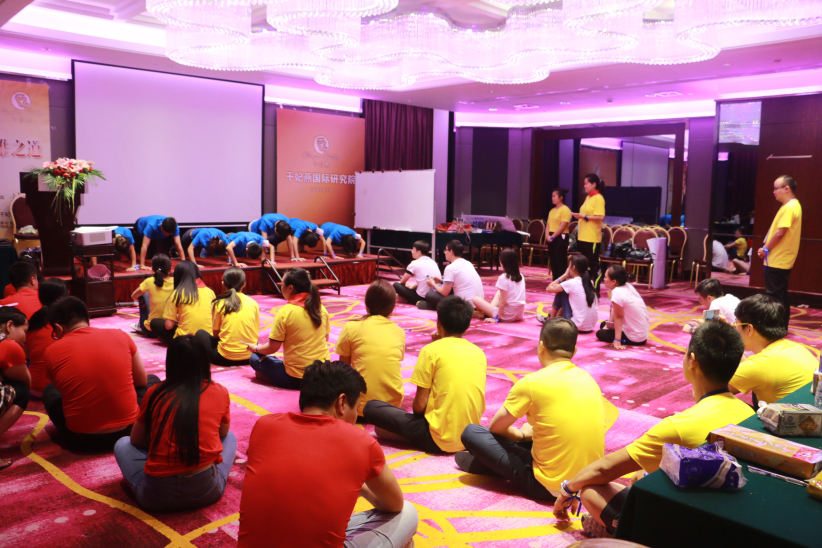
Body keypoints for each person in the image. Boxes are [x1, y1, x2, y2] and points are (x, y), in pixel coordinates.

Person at [553, 321, 754, 538]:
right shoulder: (748, 412)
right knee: (643, 477)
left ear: (693, 361)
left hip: (691, 527)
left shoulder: (678, 427)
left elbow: (604, 469)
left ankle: (627, 535)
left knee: (591, 491)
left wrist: (567, 489)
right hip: (731, 519)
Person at [238, 360, 418, 548]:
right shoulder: (360, 441)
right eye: (356, 408)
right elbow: (394, 505)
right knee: (407, 512)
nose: (355, 417)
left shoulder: (264, 426)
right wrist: (363, 489)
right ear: (342, 402)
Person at [457, 318, 605, 500]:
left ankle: (488, 462)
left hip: (548, 487)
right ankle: (491, 461)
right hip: (587, 484)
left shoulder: (531, 383)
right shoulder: (590, 380)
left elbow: (496, 428)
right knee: (538, 437)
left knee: (473, 432)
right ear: (574, 351)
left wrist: (521, 435)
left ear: (541, 346)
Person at [114, 336, 236, 512]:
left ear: (170, 362)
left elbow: (136, 440)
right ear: (205, 362)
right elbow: (223, 433)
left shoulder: (154, 392)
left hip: (156, 496)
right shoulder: (220, 391)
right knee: (230, 437)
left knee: (122, 444)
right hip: (206, 492)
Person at [363, 296, 486, 454]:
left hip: (436, 438)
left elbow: (419, 406)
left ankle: (414, 436)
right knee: (385, 427)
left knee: (372, 408)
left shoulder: (430, 351)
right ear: (467, 325)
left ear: (438, 323)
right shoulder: (479, 353)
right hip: (469, 436)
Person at [43, 297, 160, 449]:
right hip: (130, 431)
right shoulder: (121, 335)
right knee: (153, 381)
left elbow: (64, 391)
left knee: (50, 391)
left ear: (58, 328)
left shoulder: (51, 351)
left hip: (79, 440)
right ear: (86, 318)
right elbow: (141, 381)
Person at [246, 268, 330, 389]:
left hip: (297, 377)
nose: (281, 287)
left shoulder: (285, 312)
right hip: (323, 373)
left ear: (290, 288)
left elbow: (272, 348)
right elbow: (325, 338)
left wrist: (255, 348)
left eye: (282, 284)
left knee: (255, 358)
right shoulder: (321, 308)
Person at [729, 294, 817, 406]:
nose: (734, 329)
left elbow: (713, 390)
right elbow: (753, 370)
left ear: (749, 329)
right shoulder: (795, 347)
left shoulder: (759, 366)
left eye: (736, 324)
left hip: (795, 416)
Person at [337, 280, 405, 416]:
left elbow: (343, 369)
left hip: (358, 406)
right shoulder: (399, 332)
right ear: (392, 308)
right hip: (392, 407)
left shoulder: (351, 327)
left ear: (366, 304)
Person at [758, 175, 802, 328]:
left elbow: (780, 232)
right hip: (781, 258)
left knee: (774, 297)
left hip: (778, 258)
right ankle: (782, 326)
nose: (773, 192)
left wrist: (766, 249)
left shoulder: (790, 207)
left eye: (776, 188)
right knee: (781, 294)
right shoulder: (792, 205)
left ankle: (775, 328)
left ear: (786, 188)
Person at [195, 267, 259, 366]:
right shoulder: (253, 303)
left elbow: (216, 335)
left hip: (225, 358)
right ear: (244, 284)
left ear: (223, 284)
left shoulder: (219, 303)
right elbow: (255, 330)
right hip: (250, 356)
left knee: (200, 333)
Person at [26, 279, 67, 398]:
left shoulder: (34, 321)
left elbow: (28, 355)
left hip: (34, 389)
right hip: (62, 389)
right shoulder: (68, 322)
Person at [0, 306, 30, 471]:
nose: (26, 339)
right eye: (25, 331)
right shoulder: (8, 345)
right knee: (22, 391)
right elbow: (27, 381)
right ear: (10, 325)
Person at [157, 261, 216, 344]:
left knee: (155, 323)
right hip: (208, 339)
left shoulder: (176, 294)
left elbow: (168, 326)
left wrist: (177, 321)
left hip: (185, 341)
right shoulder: (210, 292)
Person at [540, 254, 598, 334]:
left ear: (573, 268)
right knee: (564, 291)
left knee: (562, 292)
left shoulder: (572, 283)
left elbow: (548, 289)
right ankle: (553, 319)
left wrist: (565, 275)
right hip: (590, 326)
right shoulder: (590, 282)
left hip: (576, 326)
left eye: (569, 265)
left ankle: (550, 321)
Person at [419, 240, 483, 311]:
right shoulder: (468, 263)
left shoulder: (450, 268)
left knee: (430, 295)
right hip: (478, 304)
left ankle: (434, 307)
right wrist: (441, 281)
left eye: (446, 250)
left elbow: (444, 292)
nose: (445, 253)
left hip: (463, 305)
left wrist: (433, 284)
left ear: (451, 252)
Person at [596, 265, 648, 348]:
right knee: (604, 324)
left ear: (614, 281)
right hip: (641, 333)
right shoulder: (627, 285)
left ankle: (621, 338)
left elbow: (619, 317)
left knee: (600, 333)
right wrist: (609, 323)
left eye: (605, 277)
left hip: (634, 337)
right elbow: (617, 309)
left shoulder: (617, 292)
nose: (604, 279)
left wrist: (617, 340)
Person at [572, 174, 606, 292]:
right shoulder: (588, 197)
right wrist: (579, 216)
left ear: (594, 184)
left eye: (586, 183)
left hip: (592, 237)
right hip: (583, 236)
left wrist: (584, 216)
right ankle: (586, 289)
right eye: (584, 183)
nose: (584, 186)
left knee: (593, 266)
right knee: (585, 266)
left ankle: (596, 291)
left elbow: (601, 217)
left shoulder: (598, 198)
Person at [473, 249, 526, 323]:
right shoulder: (521, 276)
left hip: (507, 316)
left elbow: (503, 301)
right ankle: (489, 313)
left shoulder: (503, 277)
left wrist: (497, 318)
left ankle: (490, 314)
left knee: (475, 299)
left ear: (502, 263)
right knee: (499, 293)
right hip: (519, 315)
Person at [131, 254, 174, 337]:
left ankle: (141, 324)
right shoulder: (177, 282)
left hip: (152, 330)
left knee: (142, 295)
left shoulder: (149, 281)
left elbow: (134, 296)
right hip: (171, 328)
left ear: (152, 268)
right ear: (170, 268)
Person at [393, 240, 441, 307]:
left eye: (413, 250)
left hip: (421, 298)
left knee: (396, 285)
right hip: (434, 297)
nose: (411, 252)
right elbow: (421, 280)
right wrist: (410, 289)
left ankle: (410, 300)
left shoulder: (414, 263)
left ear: (419, 252)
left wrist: (403, 294)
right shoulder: (433, 262)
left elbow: (402, 282)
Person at [546, 188, 572, 280]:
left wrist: (552, 236)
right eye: (552, 196)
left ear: (561, 197)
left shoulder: (565, 210)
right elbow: (548, 224)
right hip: (551, 236)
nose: (552, 198)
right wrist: (547, 236)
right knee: (553, 261)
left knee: (560, 262)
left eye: (554, 196)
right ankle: (555, 281)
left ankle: (561, 283)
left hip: (560, 237)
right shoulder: (552, 210)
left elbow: (562, 226)